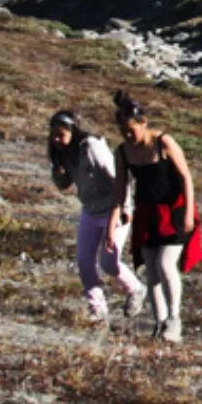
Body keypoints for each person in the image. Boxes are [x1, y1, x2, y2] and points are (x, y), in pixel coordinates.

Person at [112, 89, 200, 342]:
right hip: (146, 212)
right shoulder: (123, 152)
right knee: (150, 270)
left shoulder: (164, 143)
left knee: (165, 264)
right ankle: (159, 323)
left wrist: (188, 214)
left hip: (174, 210)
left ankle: (174, 319)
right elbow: (120, 189)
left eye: (132, 130)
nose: (128, 136)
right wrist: (115, 219)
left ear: (143, 123)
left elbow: (186, 177)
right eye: (123, 131)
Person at [48, 109, 143, 324]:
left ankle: (135, 289)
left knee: (109, 263)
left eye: (61, 135)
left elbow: (118, 179)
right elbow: (65, 184)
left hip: (114, 209)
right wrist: (57, 174)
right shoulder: (63, 152)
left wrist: (123, 210)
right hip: (90, 210)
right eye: (53, 135)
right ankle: (97, 309)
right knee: (84, 262)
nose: (56, 140)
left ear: (73, 131)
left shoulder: (92, 146)